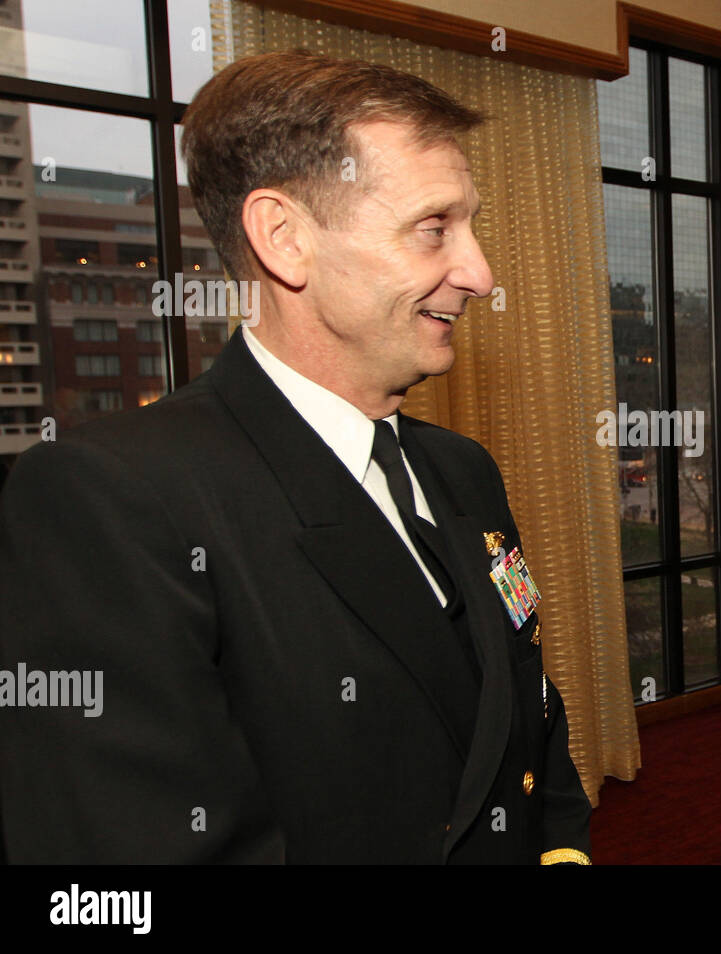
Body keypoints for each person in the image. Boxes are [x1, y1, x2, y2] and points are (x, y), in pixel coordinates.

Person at [0, 51, 591, 864]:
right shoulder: (114, 497)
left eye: (471, 225)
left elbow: (527, 715)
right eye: (434, 228)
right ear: (284, 238)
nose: (480, 273)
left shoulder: (462, 470)